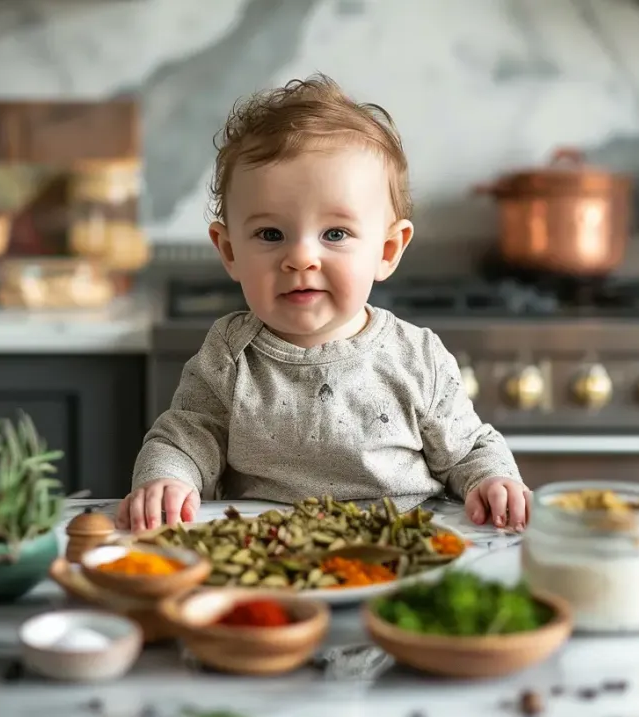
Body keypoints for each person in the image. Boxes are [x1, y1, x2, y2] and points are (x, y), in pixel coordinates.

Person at [117, 74, 527, 533]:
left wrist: (493, 479)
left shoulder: (417, 358)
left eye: (335, 234)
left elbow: (469, 449)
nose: (300, 258)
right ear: (229, 250)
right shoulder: (230, 356)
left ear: (388, 251)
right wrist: (167, 481)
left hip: (402, 552)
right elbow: (184, 439)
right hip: (270, 557)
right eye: (271, 234)